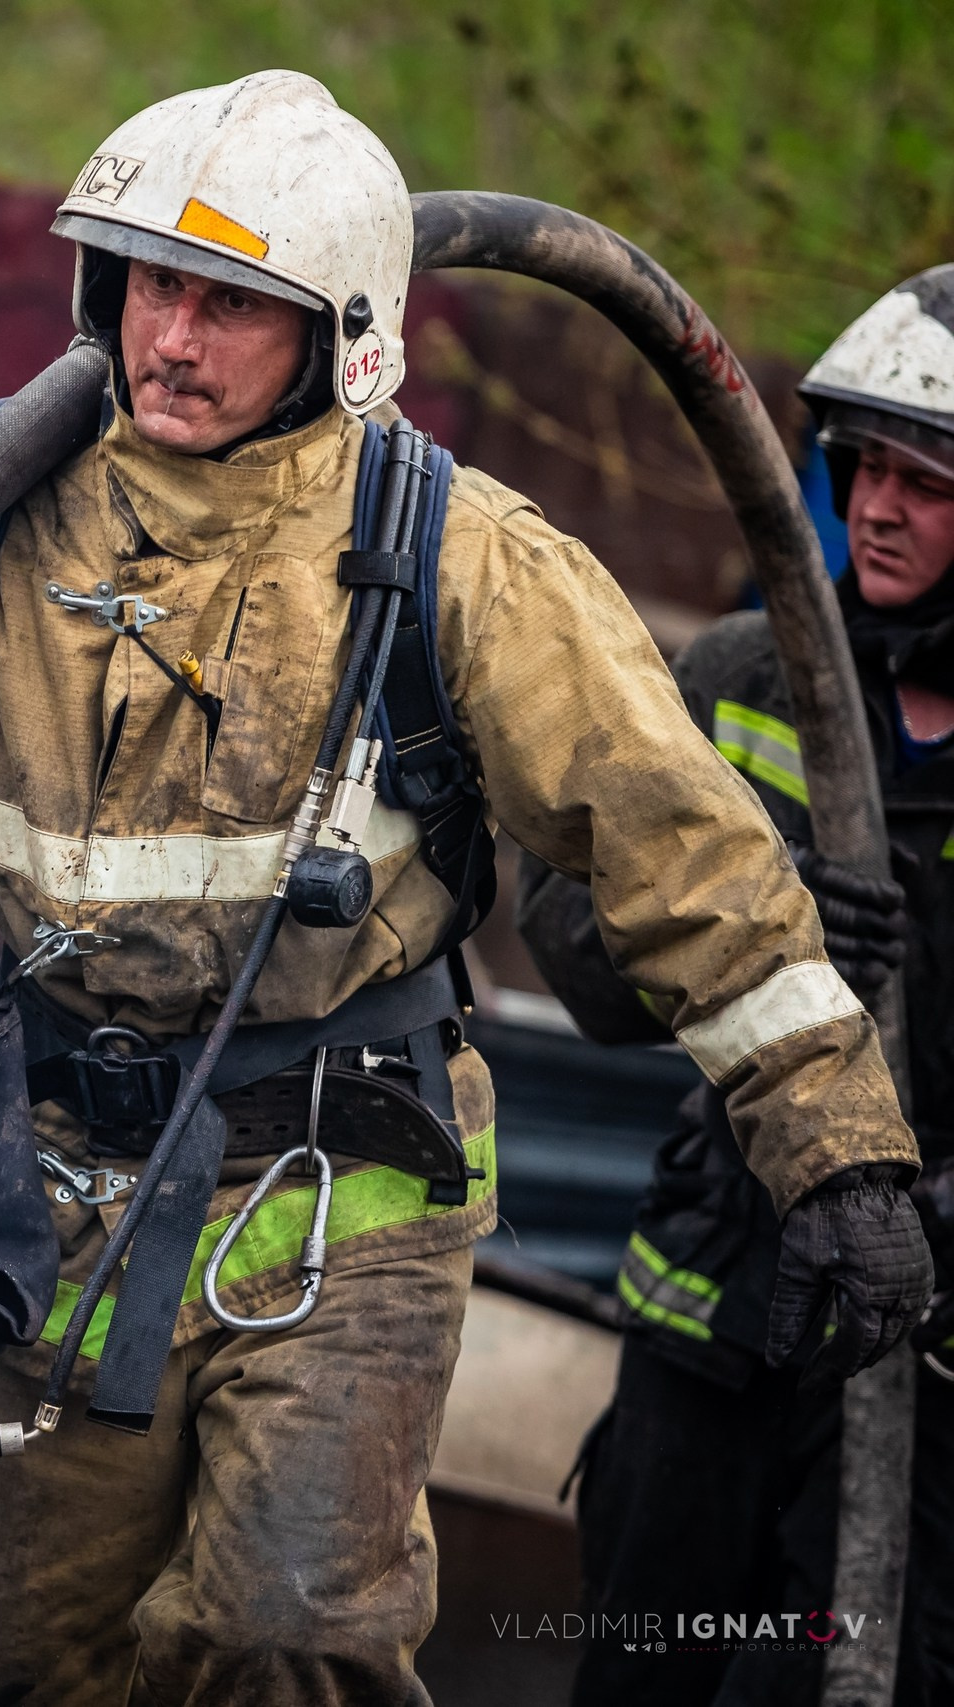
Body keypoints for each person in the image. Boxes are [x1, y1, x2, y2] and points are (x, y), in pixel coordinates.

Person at [0, 71, 925, 1706]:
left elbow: (689, 863)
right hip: (60, 1190)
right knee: (20, 1670)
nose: (169, 340)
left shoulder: (465, 556)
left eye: (229, 303)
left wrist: (839, 1158)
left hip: (352, 1184)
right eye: (146, 284)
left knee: (293, 1639)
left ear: (342, 334)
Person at [520, 265, 954, 1707]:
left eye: (927, 480)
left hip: (919, 1372)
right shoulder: (741, 679)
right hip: (707, 1329)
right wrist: (744, 926)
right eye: (863, 468)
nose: (879, 507)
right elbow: (575, 953)